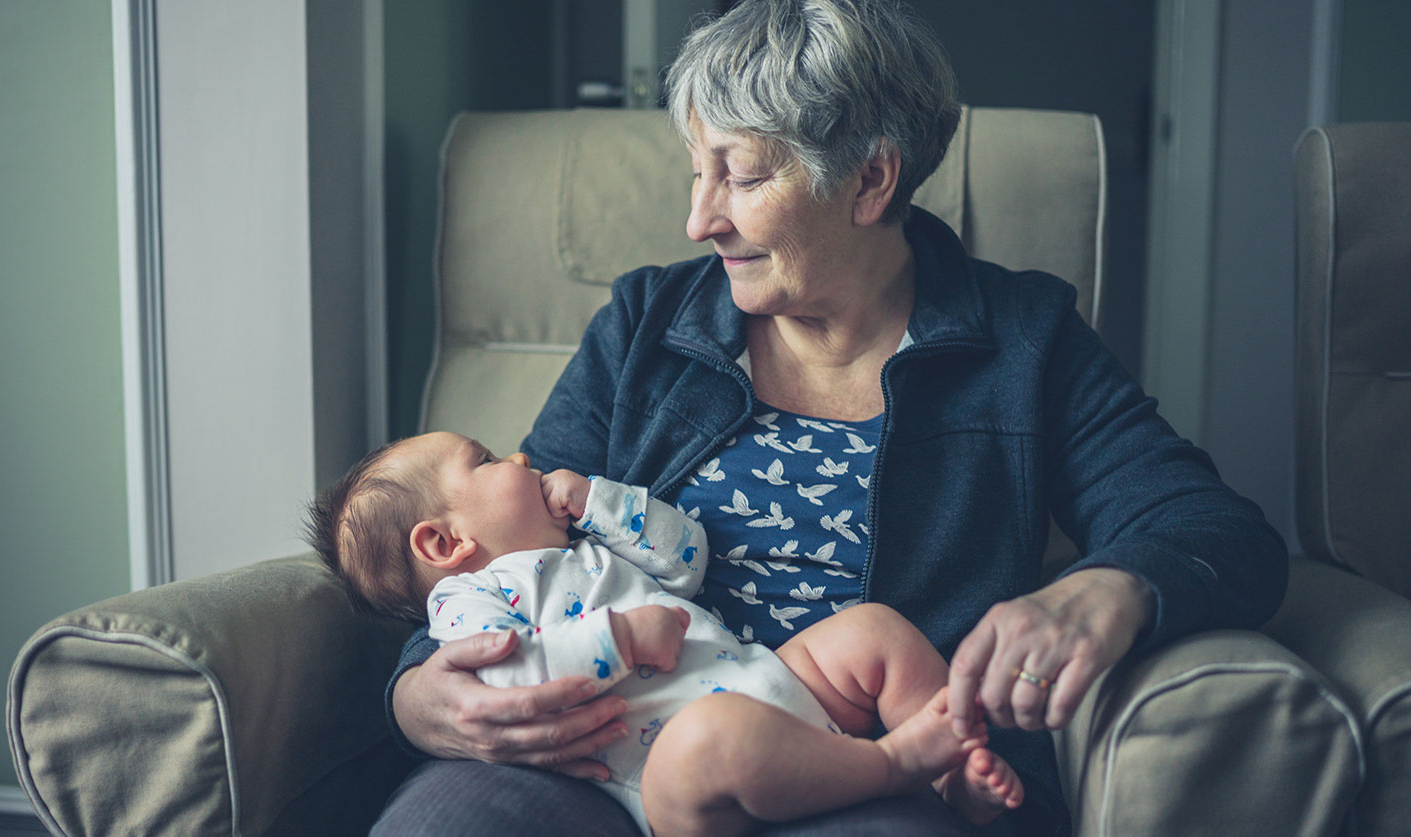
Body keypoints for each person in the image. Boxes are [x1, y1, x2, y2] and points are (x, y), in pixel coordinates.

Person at [376, 0, 1289, 834]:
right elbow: (501, 540)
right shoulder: (646, 326)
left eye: (740, 178)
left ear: (870, 180)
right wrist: (421, 689)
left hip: (869, 757)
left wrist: (1109, 589)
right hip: (608, 749)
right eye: (698, 172)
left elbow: (1218, 531)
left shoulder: (1024, 344)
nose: (700, 220)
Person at [308, 430, 1024, 834]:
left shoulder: (580, 544)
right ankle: (896, 764)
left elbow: (687, 560)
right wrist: (617, 639)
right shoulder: (472, 601)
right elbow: (509, 678)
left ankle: (955, 772)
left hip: (766, 676)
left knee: (872, 632)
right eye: (488, 462)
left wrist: (600, 501)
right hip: (677, 776)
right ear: (443, 543)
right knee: (710, 736)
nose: (520, 458)